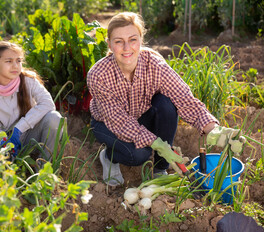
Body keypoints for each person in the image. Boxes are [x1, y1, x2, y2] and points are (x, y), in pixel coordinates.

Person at [87, 12, 242, 186]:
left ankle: (160, 168)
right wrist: (158, 144)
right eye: (118, 41)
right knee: (139, 155)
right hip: (107, 124)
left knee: (166, 104)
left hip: (140, 116)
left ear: (140, 40)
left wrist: (213, 129)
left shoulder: (154, 64)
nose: (127, 47)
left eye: (132, 39)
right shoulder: (98, 75)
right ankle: (108, 157)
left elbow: (183, 97)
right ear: (109, 44)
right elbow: (120, 122)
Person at [0, 41, 62, 161]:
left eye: (18, 60)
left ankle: (43, 167)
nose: (15, 66)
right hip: (9, 142)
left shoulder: (28, 81)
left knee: (54, 118)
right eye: (9, 61)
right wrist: (4, 142)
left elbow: (48, 103)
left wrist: (19, 128)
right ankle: (13, 168)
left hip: (32, 134)